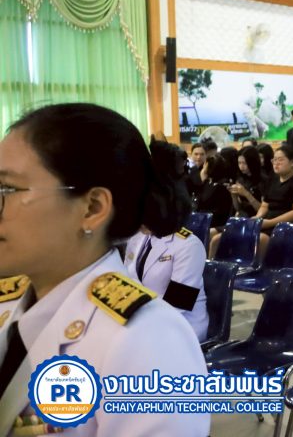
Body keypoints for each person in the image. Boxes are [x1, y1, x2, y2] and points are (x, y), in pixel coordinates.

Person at [0, 103, 209, 435]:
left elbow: (180, 302)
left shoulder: (150, 343)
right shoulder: (13, 303)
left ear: (92, 208)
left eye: (7, 190)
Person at [124, 139, 209, 341]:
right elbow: (128, 281)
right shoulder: (138, 237)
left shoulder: (189, 246)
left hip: (181, 328)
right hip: (143, 320)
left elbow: (178, 305)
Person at [253, 145, 293, 259]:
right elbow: (265, 205)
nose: (276, 163)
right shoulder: (273, 178)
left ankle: (261, 268)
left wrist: (270, 223)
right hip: (271, 223)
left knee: (260, 238)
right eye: (274, 160)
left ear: (292, 162)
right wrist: (258, 218)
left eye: (280, 160)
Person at [194, 153, 234, 231]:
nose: (203, 166)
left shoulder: (221, 186)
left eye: (205, 164)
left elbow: (219, 212)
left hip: (213, 224)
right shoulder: (208, 182)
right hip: (203, 220)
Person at [230, 145, 264, 218]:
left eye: (244, 163)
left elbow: (262, 210)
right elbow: (238, 208)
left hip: (257, 217)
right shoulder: (240, 178)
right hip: (243, 216)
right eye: (239, 163)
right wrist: (234, 196)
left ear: (253, 162)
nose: (241, 166)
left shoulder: (263, 180)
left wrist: (246, 193)